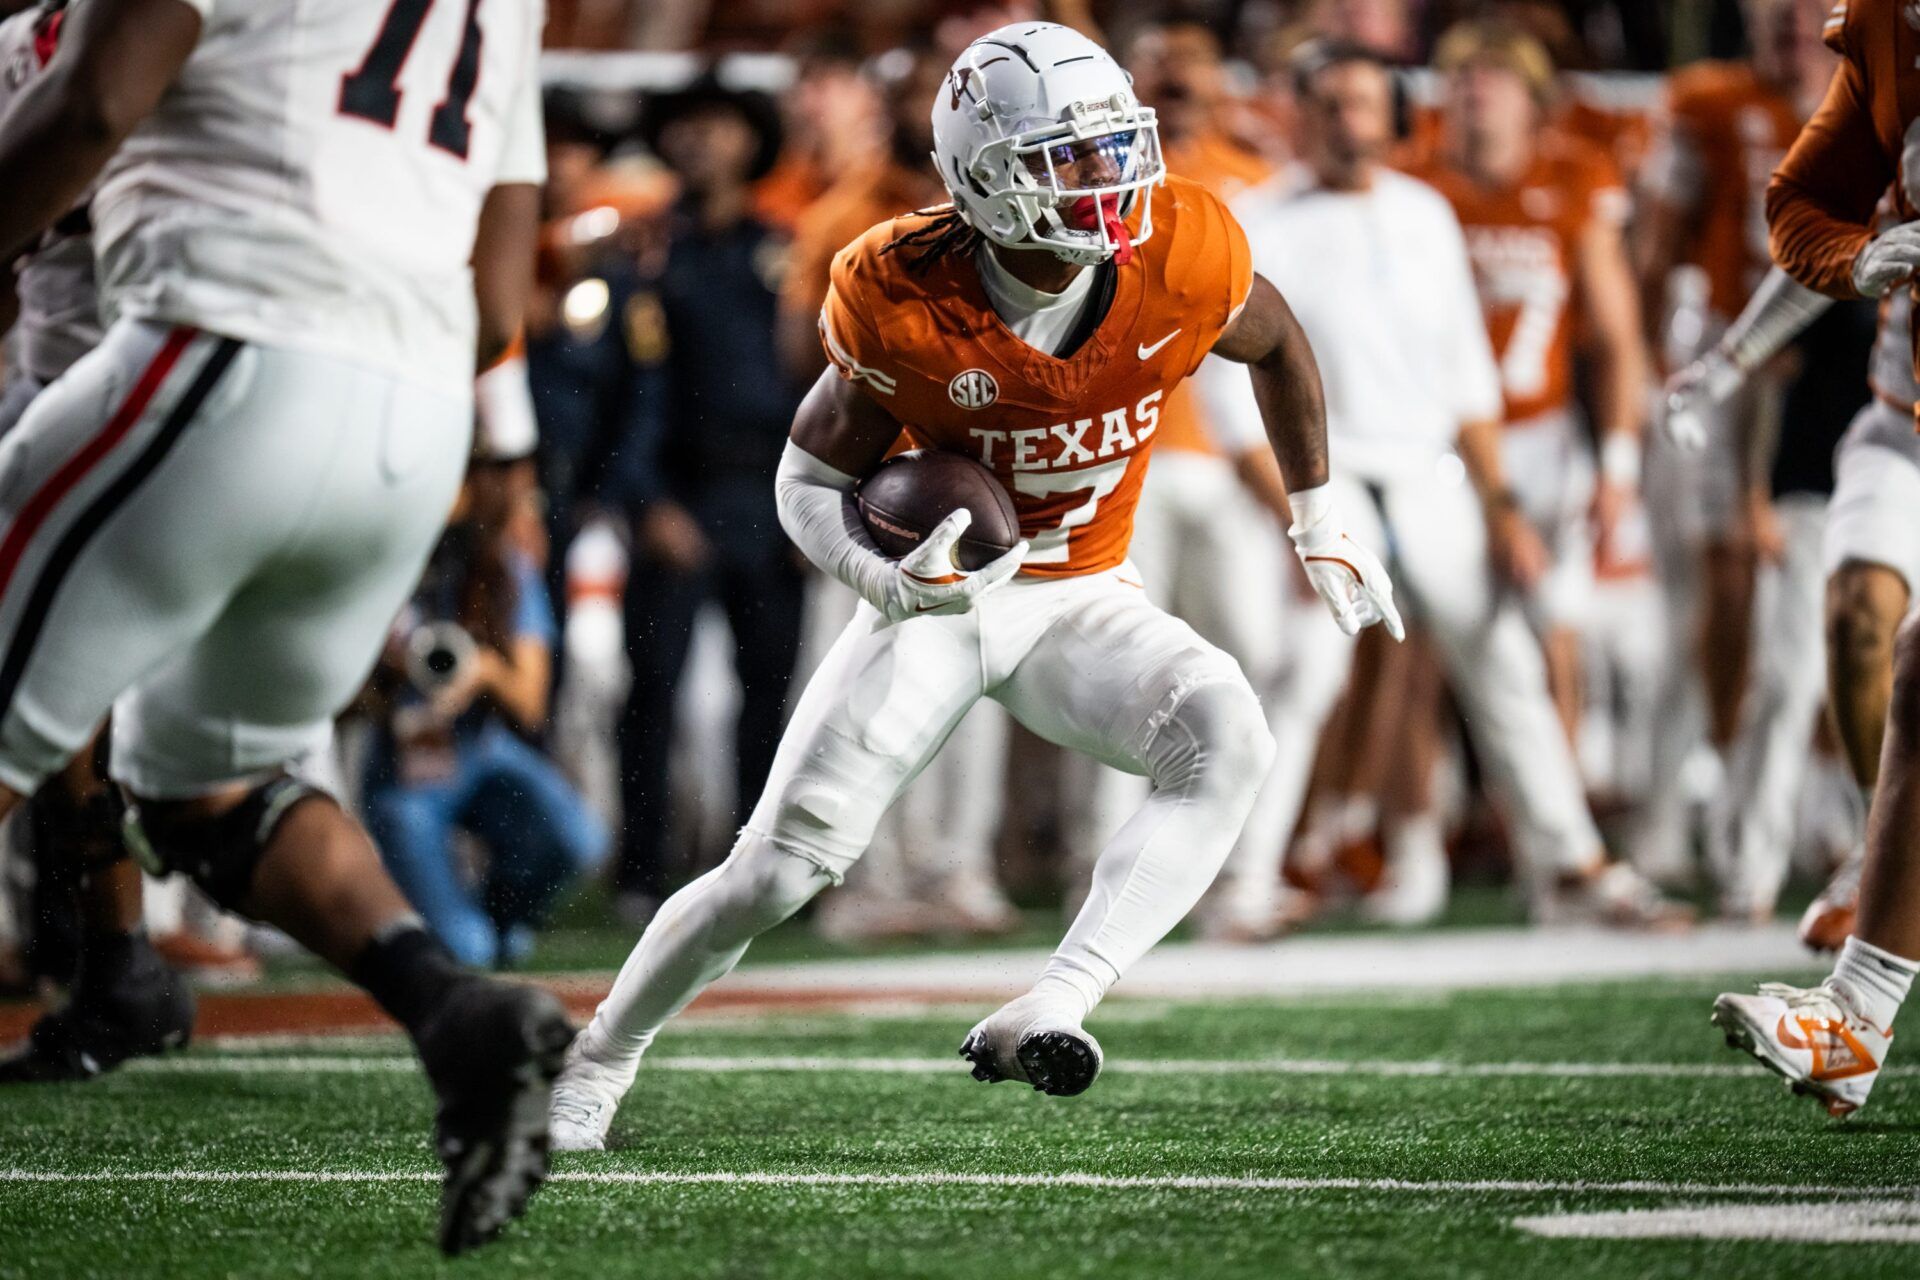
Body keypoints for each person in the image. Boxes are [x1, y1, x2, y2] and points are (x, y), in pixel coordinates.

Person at [547, 21, 1401, 1151]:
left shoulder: (1183, 243)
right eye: (1068, 157)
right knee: (777, 872)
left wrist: (1317, 514)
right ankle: (597, 1057)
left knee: (1228, 731)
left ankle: (1056, 998)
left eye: (1111, 147)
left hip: (1082, 592)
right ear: (984, 181)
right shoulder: (901, 286)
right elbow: (807, 477)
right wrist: (880, 574)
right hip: (936, 603)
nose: (1108, 180)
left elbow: (1278, 339)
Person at [0, 0, 568, 1252]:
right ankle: (450, 1011)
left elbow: (97, 99)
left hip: (225, 337)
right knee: (207, 778)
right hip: (413, 413)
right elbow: (496, 291)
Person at [1208, 41, 1684, 928]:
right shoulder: (1254, 222)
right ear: (1299, 114)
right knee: (1305, 672)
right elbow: (1229, 405)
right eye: (1328, 104)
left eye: (1361, 102)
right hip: (1324, 472)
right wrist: (1294, 518)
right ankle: (1240, 884)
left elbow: (1468, 378)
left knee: (1503, 663)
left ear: (1393, 116)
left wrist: (1501, 504)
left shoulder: (1423, 210)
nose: (1346, 121)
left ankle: (1571, 868)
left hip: (1430, 469)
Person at [1711, 0, 1920, 1117]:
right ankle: (1858, 1010)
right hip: (1907, 409)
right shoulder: (1890, 31)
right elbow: (1799, 206)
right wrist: (1857, 254)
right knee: (1892, 646)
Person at [1628, 0, 1832, 881]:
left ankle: (1813, 793)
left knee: (1821, 583)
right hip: (1721, 346)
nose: (1788, 24)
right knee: (1722, 571)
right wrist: (1645, 370)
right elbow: (1656, 245)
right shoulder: (1709, 102)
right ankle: (1718, 775)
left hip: (1831, 361)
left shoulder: (1875, 100)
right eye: (1772, 9)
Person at [1408, 21, 1647, 747]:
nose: (1476, 87)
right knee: (1421, 640)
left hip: (1540, 436)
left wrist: (1617, 466)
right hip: (1436, 439)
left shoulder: (1574, 178)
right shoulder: (1411, 182)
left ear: (1536, 102)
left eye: (1496, 73)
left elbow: (1615, 337)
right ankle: (1416, 833)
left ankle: (1560, 815)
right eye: (1463, 75)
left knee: (1554, 627)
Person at [608, 75, 808, 919]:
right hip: (676, 491)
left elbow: (819, 383)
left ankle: (760, 869)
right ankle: (640, 872)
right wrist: (644, 499)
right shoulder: (645, 252)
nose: (700, 142)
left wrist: (818, 502)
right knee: (650, 684)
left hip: (770, 490)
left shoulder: (790, 252)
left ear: (749, 141)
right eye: (685, 126)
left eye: (718, 127)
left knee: (773, 688)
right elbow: (622, 389)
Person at [362, 401, 609, 969]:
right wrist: (387, 671)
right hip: (404, 771)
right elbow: (340, 698)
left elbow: (530, 702)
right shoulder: (386, 561)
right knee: (466, 951)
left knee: (578, 839)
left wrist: (485, 672)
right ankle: (469, 928)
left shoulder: (503, 568)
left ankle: (498, 914)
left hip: (478, 752)